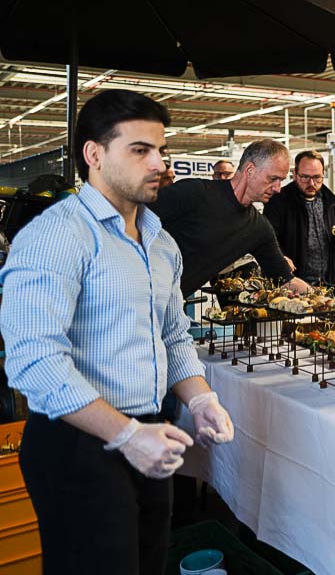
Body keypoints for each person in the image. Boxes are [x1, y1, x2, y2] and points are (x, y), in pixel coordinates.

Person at [0, 89, 234, 575]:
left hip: (148, 435)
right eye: (140, 150)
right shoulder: (57, 236)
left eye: (161, 150)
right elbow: (33, 359)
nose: (159, 163)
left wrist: (200, 399)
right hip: (76, 444)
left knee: (148, 564)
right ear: (95, 155)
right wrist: (126, 434)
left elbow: (172, 336)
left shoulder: (160, 241)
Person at [150, 138, 307, 297]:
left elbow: (286, 280)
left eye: (281, 180)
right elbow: (131, 220)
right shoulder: (194, 193)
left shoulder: (259, 228)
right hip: (135, 293)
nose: (278, 189)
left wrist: (326, 300)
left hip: (171, 301)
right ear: (250, 170)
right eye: (273, 179)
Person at [260, 150, 335, 288]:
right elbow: (267, 239)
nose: (312, 183)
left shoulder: (330, 201)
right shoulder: (279, 201)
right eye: (305, 177)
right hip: (291, 282)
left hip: (325, 282)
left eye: (317, 177)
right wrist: (281, 258)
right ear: (295, 174)